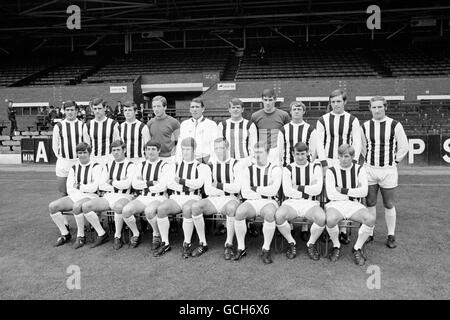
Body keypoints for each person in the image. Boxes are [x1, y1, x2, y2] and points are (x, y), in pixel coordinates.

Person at [361, 96, 409, 248]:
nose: (377, 110)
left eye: (379, 107)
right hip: (369, 170)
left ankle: (391, 235)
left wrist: (393, 162)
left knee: (389, 203)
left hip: (388, 171)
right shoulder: (365, 126)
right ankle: (370, 232)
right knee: (370, 202)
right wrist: (368, 160)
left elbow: (404, 147)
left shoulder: (395, 125)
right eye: (374, 107)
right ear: (370, 109)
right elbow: (363, 147)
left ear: (385, 107)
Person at [316, 89, 362, 244]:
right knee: (326, 195)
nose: (336, 104)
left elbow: (357, 142)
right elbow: (320, 144)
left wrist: (353, 162)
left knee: (343, 194)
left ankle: (342, 230)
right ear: (330, 103)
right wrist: (323, 163)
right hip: (328, 161)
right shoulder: (323, 119)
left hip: (345, 161)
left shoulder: (352, 120)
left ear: (345, 102)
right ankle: (325, 227)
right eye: (333, 101)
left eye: (339, 101)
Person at [154, 137, 209, 258]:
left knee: (187, 209)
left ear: (194, 150)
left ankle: (187, 243)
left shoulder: (201, 166)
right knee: (161, 209)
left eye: (188, 149)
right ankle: (165, 242)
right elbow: (169, 183)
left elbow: (198, 183)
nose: (185, 152)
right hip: (176, 197)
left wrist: (181, 181)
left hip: (193, 196)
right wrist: (187, 186)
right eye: (183, 149)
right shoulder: (175, 166)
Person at [190, 137, 242, 259]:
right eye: (217, 148)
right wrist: (226, 187)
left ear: (228, 148)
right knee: (196, 207)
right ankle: (203, 243)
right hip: (213, 199)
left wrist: (218, 185)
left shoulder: (236, 164)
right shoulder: (210, 165)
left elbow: (236, 189)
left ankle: (228, 244)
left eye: (222, 148)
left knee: (231, 208)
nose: (219, 151)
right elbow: (208, 190)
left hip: (230, 198)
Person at [81, 140, 137, 249]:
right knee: (86, 206)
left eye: (118, 150)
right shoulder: (108, 165)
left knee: (118, 207)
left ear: (124, 150)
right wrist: (118, 184)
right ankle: (102, 233)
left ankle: (117, 236)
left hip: (125, 196)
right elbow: (101, 185)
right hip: (109, 196)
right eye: (113, 150)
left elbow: (127, 185)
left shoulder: (131, 165)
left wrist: (111, 181)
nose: (116, 152)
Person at [325, 144, 374, 266]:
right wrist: (353, 193)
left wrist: (342, 190)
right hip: (336, 204)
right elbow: (331, 194)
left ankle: (357, 248)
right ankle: (336, 245)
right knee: (330, 220)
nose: (343, 159)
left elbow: (364, 192)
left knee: (370, 219)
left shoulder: (359, 169)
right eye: (340, 156)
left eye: (346, 156)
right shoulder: (331, 170)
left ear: (352, 156)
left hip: (354, 204)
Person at [233, 141, 282, 264]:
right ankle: (241, 247)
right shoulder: (248, 170)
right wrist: (262, 191)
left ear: (267, 152)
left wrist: (255, 188)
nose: (257, 155)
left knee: (270, 214)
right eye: (255, 152)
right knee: (239, 212)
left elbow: (273, 191)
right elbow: (245, 192)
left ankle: (265, 249)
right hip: (253, 201)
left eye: (260, 152)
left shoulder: (275, 169)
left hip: (269, 201)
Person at [275, 142, 325, 261]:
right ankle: (291, 242)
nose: (301, 157)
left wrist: (298, 187)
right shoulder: (288, 169)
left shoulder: (315, 167)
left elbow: (317, 190)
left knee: (321, 218)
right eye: (298, 154)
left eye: (303, 153)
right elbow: (287, 192)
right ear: (293, 154)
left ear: (307, 153)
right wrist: (308, 189)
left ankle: (310, 244)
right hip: (292, 203)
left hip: (310, 204)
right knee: (279, 215)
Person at [48, 142, 102, 248]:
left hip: (91, 196)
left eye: (84, 152)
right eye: (79, 153)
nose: (82, 155)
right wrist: (80, 188)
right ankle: (65, 234)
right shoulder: (74, 167)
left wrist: (79, 186)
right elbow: (69, 188)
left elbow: (94, 187)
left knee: (77, 206)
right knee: (53, 206)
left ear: (89, 153)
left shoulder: (96, 166)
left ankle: (81, 236)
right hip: (76, 195)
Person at [122, 140, 169, 252]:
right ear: (145, 151)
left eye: (153, 149)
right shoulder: (140, 165)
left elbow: (162, 186)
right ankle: (136, 234)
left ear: (159, 150)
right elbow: (135, 184)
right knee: (126, 210)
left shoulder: (165, 165)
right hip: (143, 197)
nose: (150, 152)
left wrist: (143, 184)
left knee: (149, 211)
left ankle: (156, 234)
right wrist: (151, 183)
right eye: (148, 149)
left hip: (159, 197)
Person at [52, 100, 89, 196]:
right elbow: (55, 145)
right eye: (67, 110)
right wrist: (61, 157)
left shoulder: (82, 125)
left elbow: (87, 144)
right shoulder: (59, 126)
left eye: (72, 110)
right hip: (63, 162)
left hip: (78, 162)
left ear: (76, 111)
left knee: (79, 191)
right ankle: (65, 210)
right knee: (63, 191)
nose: (70, 112)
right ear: (64, 111)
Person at [250, 88, 290, 166]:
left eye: (270, 100)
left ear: (275, 100)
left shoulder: (284, 115)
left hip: (277, 152)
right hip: (261, 152)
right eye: (265, 100)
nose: (268, 103)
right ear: (262, 100)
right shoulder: (255, 116)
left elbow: (287, 135)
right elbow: (252, 137)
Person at [217, 98, 257, 168]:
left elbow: (253, 145)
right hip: (227, 162)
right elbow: (219, 146)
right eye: (233, 107)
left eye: (238, 107)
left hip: (245, 162)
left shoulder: (249, 125)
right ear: (229, 109)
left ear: (242, 109)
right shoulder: (222, 125)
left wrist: (251, 161)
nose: (236, 109)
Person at [176, 97, 217, 164]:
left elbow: (214, 144)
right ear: (190, 109)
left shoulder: (211, 124)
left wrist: (212, 159)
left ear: (203, 109)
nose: (194, 109)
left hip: (205, 160)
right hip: (188, 160)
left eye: (197, 107)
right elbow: (180, 143)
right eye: (192, 107)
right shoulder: (184, 124)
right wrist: (178, 158)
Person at [83, 98, 120, 166]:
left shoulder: (113, 124)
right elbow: (87, 145)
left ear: (105, 108)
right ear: (92, 109)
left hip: (109, 158)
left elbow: (117, 143)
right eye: (95, 108)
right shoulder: (88, 125)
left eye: (99, 108)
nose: (97, 111)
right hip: (93, 159)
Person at [147, 95, 180, 164]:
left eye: (158, 106)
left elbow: (179, 141)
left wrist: (175, 156)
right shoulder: (149, 123)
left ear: (165, 107)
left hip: (170, 158)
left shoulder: (174, 122)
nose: (156, 109)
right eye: (154, 106)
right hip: (155, 158)